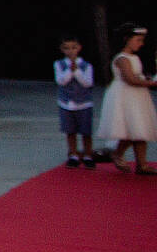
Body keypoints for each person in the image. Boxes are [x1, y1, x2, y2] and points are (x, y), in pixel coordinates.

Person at [98, 24, 156, 175]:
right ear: (126, 39)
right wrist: (152, 83)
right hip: (126, 97)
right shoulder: (122, 58)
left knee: (140, 130)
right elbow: (130, 79)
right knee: (132, 130)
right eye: (138, 40)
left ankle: (142, 164)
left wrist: (145, 78)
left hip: (137, 97)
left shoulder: (134, 57)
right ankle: (117, 153)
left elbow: (136, 76)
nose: (141, 44)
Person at [54, 37, 96, 169]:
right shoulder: (59, 64)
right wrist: (70, 70)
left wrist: (76, 71)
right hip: (66, 103)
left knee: (86, 132)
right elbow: (61, 81)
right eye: (67, 48)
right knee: (70, 131)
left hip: (83, 103)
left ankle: (88, 155)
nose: (70, 51)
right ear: (62, 50)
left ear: (79, 48)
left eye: (73, 47)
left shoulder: (86, 65)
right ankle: (73, 155)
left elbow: (88, 83)